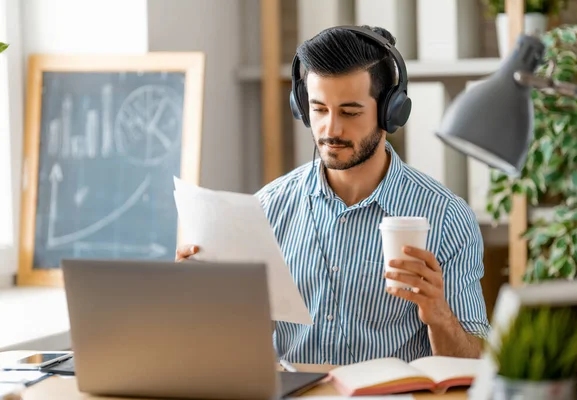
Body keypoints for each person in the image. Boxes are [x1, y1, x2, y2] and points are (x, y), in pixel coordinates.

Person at [176, 25, 490, 365]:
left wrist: (439, 315)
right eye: (319, 109)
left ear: (391, 112)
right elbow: (230, 344)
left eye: (350, 112)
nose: (330, 129)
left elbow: (475, 364)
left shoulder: (446, 217)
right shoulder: (268, 208)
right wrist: (200, 298)